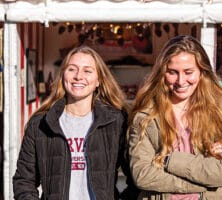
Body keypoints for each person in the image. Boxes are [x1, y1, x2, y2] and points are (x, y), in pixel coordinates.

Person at [128, 35, 222, 200]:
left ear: (202, 71)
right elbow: (143, 175)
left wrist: (168, 160)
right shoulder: (145, 117)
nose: (181, 81)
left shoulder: (221, 112)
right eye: (172, 72)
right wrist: (202, 179)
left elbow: (220, 174)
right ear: (162, 73)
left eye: (188, 72)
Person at [13, 45, 138, 200]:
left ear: (98, 80)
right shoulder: (40, 124)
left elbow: (136, 179)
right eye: (72, 69)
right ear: (63, 75)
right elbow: (24, 181)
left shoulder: (116, 122)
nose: (79, 76)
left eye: (87, 70)